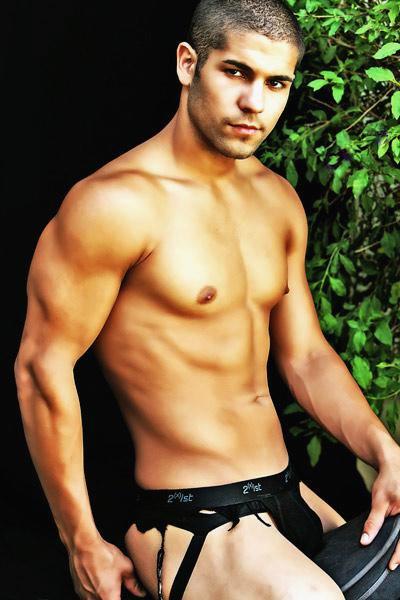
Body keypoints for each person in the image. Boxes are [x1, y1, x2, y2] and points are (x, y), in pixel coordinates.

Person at [14, 0, 400, 599]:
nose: (255, 102)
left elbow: (305, 357)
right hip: (193, 519)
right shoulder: (115, 205)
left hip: (289, 492)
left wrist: (385, 451)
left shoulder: (277, 200)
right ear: (188, 64)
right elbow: (42, 368)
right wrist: (80, 540)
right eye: (237, 72)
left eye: (276, 83)